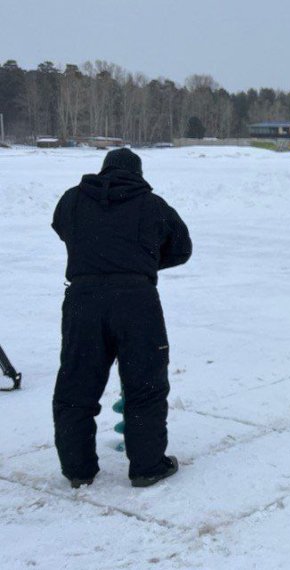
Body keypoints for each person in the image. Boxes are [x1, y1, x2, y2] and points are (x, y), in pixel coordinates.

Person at [51, 148, 191, 489]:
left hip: (83, 301)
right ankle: (147, 467)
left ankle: (78, 470)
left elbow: (61, 227)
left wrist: (98, 258)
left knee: (76, 386)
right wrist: (138, 263)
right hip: (136, 302)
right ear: (137, 173)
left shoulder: (72, 200)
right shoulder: (152, 205)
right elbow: (182, 247)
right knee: (145, 385)